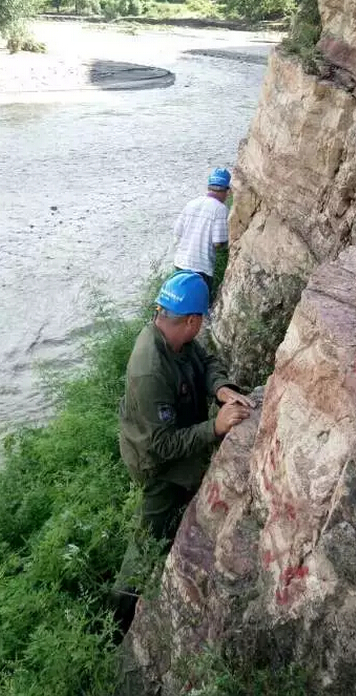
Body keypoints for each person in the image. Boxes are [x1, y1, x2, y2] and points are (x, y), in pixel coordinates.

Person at [113, 270, 253, 633]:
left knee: (194, 496)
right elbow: (161, 445)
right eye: (201, 321)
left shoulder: (178, 338)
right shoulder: (150, 370)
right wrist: (215, 427)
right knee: (146, 540)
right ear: (191, 320)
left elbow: (207, 363)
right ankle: (116, 620)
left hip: (175, 442)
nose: (201, 328)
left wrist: (221, 389)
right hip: (156, 463)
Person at [173, 168, 231, 295]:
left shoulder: (191, 203)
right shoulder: (220, 209)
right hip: (201, 269)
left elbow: (177, 232)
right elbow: (218, 243)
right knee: (198, 308)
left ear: (209, 187)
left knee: (181, 306)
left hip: (180, 264)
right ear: (227, 190)